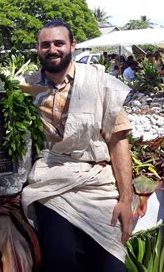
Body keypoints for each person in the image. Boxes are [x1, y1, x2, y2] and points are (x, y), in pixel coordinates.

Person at [20, 20, 133, 272]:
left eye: (59, 43)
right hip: (52, 183)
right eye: (45, 44)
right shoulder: (25, 88)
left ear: (72, 45)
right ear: (37, 49)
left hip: (97, 184)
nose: (52, 49)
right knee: (60, 258)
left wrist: (126, 200)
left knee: (111, 267)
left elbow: (118, 141)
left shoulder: (98, 83)